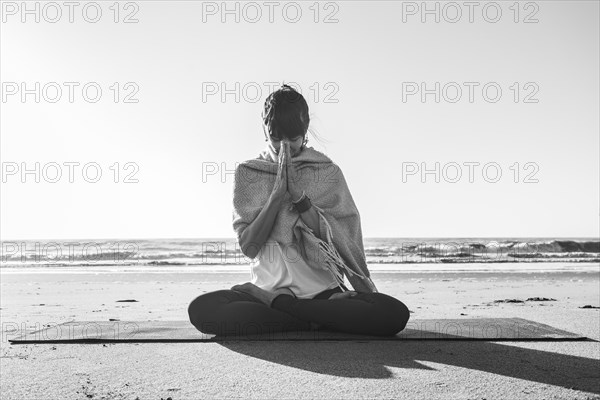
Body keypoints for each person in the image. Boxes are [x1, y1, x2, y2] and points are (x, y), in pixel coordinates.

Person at [188, 85, 410, 337]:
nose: (285, 146)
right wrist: (276, 197)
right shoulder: (248, 173)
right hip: (265, 290)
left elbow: (343, 238)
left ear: (305, 132)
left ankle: (287, 311)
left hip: (322, 293)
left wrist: (300, 198)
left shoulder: (327, 173)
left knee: (392, 313)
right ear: (264, 129)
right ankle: (311, 318)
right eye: (275, 138)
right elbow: (249, 248)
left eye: (293, 138)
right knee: (202, 309)